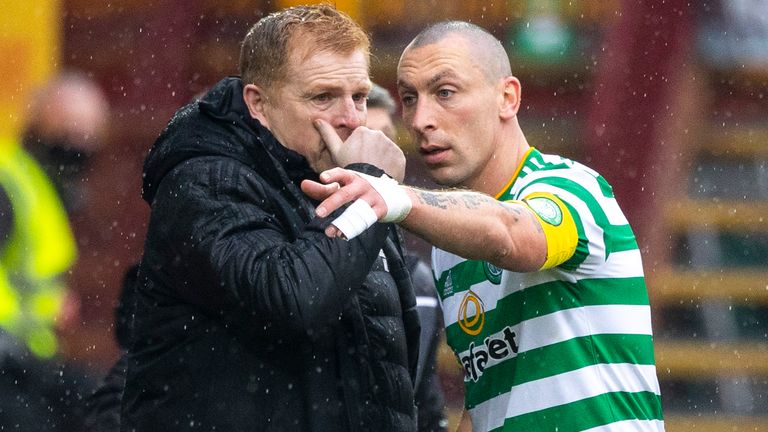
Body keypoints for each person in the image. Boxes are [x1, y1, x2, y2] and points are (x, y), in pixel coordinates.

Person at [302, 21, 665, 432]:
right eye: (409, 98)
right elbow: (491, 401)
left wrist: (397, 196)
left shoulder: (572, 188)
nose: (420, 119)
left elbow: (512, 234)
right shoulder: (448, 247)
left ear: (507, 97)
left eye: (445, 93)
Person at [121, 5, 420, 431]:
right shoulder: (205, 180)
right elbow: (294, 302)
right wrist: (370, 184)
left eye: (358, 96)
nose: (352, 118)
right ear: (258, 103)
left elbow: (395, 364)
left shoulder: (347, 182)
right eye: (323, 97)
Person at [0, 71, 108, 431]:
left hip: (25, 361)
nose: (77, 147)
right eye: (67, 134)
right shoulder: (11, 183)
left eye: (87, 137)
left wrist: (53, 305)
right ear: (38, 126)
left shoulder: (37, 186)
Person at [367, 83, 448, 432]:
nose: (377, 153)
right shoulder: (299, 266)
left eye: (386, 137)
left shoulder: (421, 282)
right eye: (363, 139)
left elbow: (425, 404)